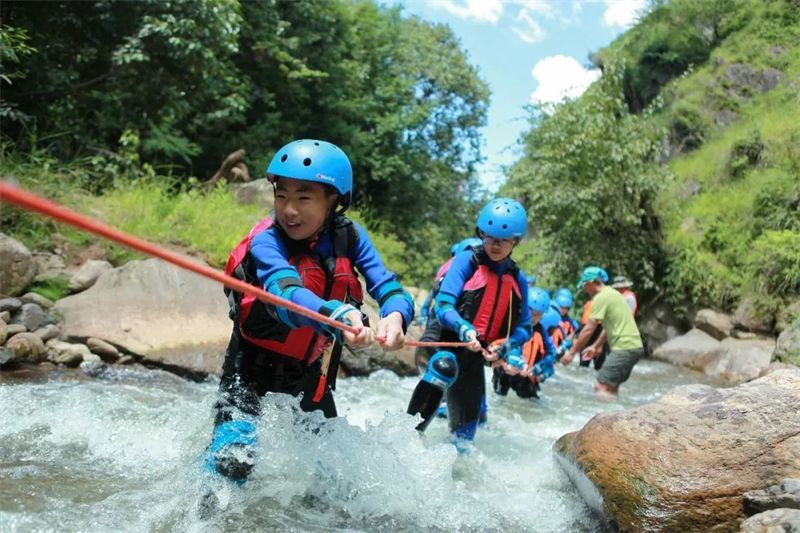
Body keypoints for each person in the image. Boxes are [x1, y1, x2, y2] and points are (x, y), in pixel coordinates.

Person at [204, 139, 415, 484]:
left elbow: (389, 287)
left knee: (332, 477)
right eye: (281, 195)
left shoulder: (350, 237)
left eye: (303, 197)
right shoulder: (266, 240)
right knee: (231, 464)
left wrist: (395, 316)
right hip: (249, 368)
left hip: (307, 375)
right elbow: (285, 293)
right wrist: (335, 314)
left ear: (334, 201)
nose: (288, 209)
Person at [407, 198, 532, 446]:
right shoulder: (466, 261)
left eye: (503, 240)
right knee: (444, 367)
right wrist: (464, 327)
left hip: (474, 353)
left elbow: (524, 328)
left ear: (515, 241)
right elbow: (443, 306)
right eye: (490, 237)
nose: (495, 245)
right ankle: (406, 439)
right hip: (443, 341)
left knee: (464, 439)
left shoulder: (518, 278)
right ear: (481, 234)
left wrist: (506, 346)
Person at [561, 266, 644, 396]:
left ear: (591, 283)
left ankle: (606, 416)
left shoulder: (601, 297)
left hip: (624, 348)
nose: (584, 289)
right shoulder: (613, 294)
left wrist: (571, 353)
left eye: (584, 285)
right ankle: (619, 416)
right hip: (634, 347)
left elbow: (589, 328)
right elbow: (608, 327)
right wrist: (595, 346)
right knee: (611, 387)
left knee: (601, 385)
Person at [492, 287, 558, 399]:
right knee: (498, 397)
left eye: (538, 314)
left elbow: (551, 353)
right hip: (505, 368)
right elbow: (496, 344)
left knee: (533, 401)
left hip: (525, 374)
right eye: (531, 312)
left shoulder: (541, 330)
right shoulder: (512, 323)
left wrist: (538, 367)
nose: (533, 318)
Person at [416, 237, 482, 328]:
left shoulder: (447, 267)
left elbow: (432, 294)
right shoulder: (451, 269)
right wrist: (424, 313)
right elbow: (436, 294)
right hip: (443, 319)